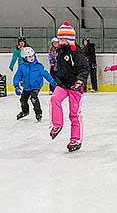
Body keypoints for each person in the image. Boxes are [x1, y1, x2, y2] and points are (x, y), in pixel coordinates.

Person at [49, 21, 89, 152]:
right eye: (60, 38)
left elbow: (84, 68)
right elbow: (59, 68)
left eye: (64, 39)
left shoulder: (77, 53)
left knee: (74, 114)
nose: (61, 41)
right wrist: (57, 78)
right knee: (54, 99)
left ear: (70, 39)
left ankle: (75, 139)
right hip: (63, 84)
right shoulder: (60, 50)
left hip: (75, 87)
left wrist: (80, 81)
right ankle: (57, 125)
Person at [13, 47, 57, 122]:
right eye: (29, 56)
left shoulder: (39, 66)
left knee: (34, 98)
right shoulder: (22, 67)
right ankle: (25, 111)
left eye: (33, 56)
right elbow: (17, 76)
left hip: (36, 86)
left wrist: (54, 84)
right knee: (23, 99)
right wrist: (16, 86)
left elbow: (47, 75)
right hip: (26, 86)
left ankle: (38, 113)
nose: (32, 58)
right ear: (24, 57)